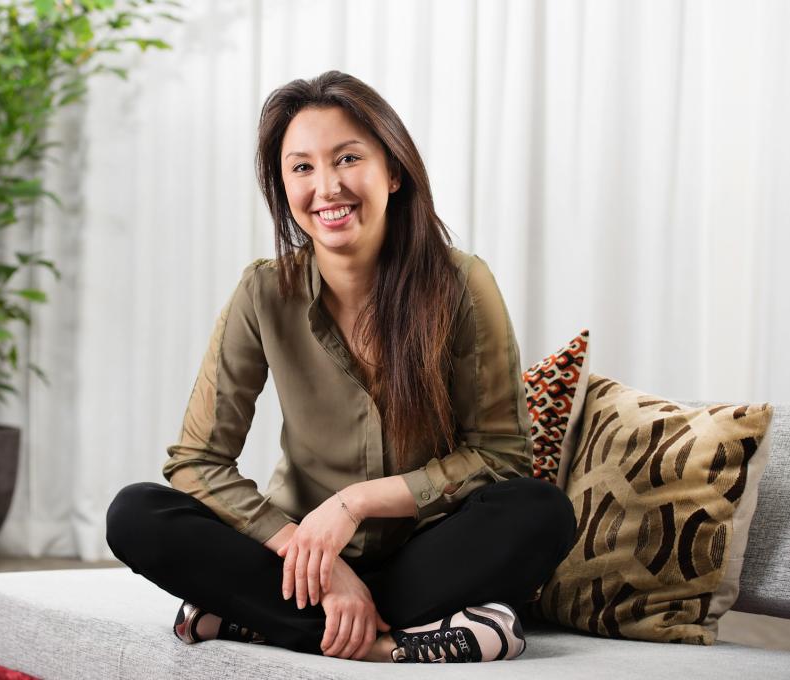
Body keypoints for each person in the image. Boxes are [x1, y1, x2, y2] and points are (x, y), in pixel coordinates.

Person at [106, 70, 577, 664]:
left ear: (394, 172)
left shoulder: (461, 282)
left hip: (423, 551)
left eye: (348, 159)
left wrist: (354, 503)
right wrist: (321, 566)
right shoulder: (263, 292)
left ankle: (260, 620)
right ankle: (395, 643)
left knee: (540, 513)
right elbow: (197, 461)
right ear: (282, 185)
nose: (327, 187)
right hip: (297, 561)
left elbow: (501, 456)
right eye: (302, 167)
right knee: (136, 514)